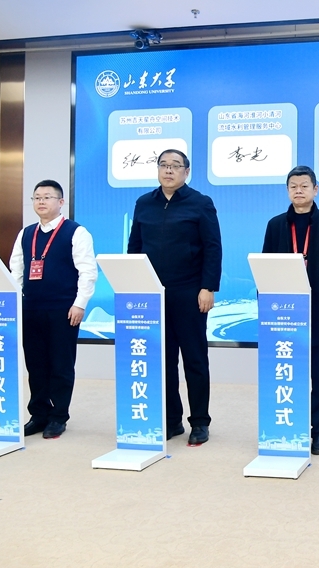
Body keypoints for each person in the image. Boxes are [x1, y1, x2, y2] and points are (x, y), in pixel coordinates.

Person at [127, 149, 222, 446]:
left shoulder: (200, 203)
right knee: (163, 360)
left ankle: (200, 422)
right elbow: (135, 246)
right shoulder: (144, 203)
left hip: (190, 291)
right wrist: (136, 284)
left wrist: (208, 287)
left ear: (186, 171)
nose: (168, 170)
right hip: (154, 293)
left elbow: (213, 247)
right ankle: (171, 420)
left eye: (175, 166)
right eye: (163, 165)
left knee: (194, 360)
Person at [262, 166, 319, 455]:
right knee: (288, 373)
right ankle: (290, 426)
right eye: (293, 186)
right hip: (284, 313)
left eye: (304, 185)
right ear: (287, 190)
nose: (298, 190)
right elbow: (265, 268)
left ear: (316, 189)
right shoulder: (276, 225)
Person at [10, 179, 97, 439]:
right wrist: (14, 301)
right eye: (37, 197)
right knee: (35, 365)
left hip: (63, 309)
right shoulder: (26, 233)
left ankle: (58, 416)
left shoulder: (76, 232)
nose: (41, 201)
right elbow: (17, 270)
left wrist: (80, 304)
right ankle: (39, 415)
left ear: (61, 202)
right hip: (31, 308)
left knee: (60, 365)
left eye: (47, 197)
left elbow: (88, 271)